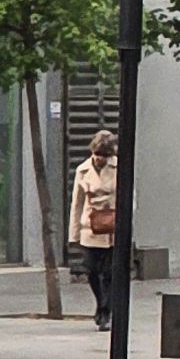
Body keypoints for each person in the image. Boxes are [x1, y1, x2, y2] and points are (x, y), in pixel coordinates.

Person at [70, 126, 122, 324]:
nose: (100, 158)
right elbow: (77, 203)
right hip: (89, 227)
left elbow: (129, 197)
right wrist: (73, 234)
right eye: (98, 153)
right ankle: (101, 303)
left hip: (111, 227)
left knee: (109, 272)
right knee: (91, 269)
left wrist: (124, 224)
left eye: (105, 155)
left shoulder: (119, 168)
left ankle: (106, 310)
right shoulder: (82, 170)